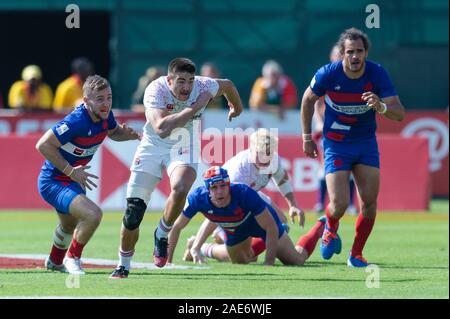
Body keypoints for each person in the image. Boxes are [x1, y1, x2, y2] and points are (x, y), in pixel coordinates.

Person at [110, 57, 243, 278]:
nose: (186, 87)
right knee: (133, 213)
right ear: (169, 80)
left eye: (190, 81)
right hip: (153, 146)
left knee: (181, 187)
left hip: (184, 143)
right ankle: (123, 263)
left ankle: (162, 233)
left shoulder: (203, 85)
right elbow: (161, 128)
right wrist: (195, 107)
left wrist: (235, 108)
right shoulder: (155, 90)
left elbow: (228, 84)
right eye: (180, 81)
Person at [300, 28, 405, 267]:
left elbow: (400, 114)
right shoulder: (328, 73)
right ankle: (330, 227)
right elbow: (307, 99)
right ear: (342, 53)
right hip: (336, 144)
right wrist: (307, 137)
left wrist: (382, 107)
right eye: (350, 52)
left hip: (365, 143)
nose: (355, 56)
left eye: (359, 51)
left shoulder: (377, 74)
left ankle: (355, 254)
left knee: (368, 203)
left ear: (366, 52)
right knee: (338, 205)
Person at [36, 75, 140, 274]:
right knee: (93, 215)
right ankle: (72, 258)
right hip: (54, 181)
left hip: (74, 178)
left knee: (68, 225)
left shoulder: (105, 115)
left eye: (109, 97)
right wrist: (69, 171)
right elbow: (43, 144)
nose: (106, 103)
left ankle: (54, 262)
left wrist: (127, 135)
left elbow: (113, 132)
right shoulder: (76, 121)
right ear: (86, 101)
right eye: (99, 99)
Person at [166, 128, 305, 264]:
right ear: (251, 150)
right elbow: (215, 212)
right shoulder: (237, 174)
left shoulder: (272, 161)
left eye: (268, 153)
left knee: (281, 221)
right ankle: (205, 246)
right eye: (260, 153)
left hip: (250, 199)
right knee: (244, 257)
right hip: (231, 210)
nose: (265, 157)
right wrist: (198, 244)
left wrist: (293, 205)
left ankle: (215, 241)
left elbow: (281, 179)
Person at [167, 166, 327, 267]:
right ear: (207, 190)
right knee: (241, 261)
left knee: (296, 261)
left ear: (229, 184)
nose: (219, 191)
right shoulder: (198, 198)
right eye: (214, 188)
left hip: (262, 226)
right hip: (235, 230)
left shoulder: (244, 193)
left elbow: (270, 226)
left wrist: (269, 262)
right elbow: (177, 226)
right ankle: (201, 247)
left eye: (223, 186)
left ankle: (319, 228)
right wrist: (168, 262)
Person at [312, 45, 357, 216]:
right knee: (326, 164)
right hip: (329, 129)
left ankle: (351, 204)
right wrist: (318, 122)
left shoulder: (354, 75)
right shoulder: (326, 75)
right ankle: (320, 202)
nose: (339, 57)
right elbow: (315, 100)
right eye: (336, 55)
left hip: (349, 128)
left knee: (352, 165)